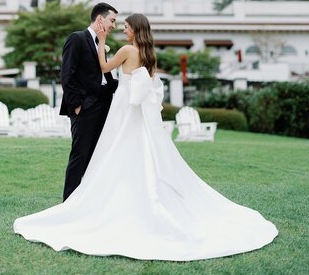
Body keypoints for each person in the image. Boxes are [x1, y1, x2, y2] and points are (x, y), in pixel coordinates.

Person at [14, 13, 278, 261]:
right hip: (138, 113)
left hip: (126, 110)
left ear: (136, 29)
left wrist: (102, 43)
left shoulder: (127, 50)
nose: (123, 30)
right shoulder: (148, 54)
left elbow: (104, 67)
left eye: (126, 26)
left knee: (117, 150)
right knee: (139, 151)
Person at [59, 2, 118, 201]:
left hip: (104, 106)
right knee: (80, 156)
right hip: (84, 108)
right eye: (112, 20)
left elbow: (102, 76)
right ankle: (68, 203)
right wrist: (76, 105)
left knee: (96, 157)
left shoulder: (102, 44)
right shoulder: (76, 39)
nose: (114, 26)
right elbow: (67, 75)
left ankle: (88, 203)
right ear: (100, 19)